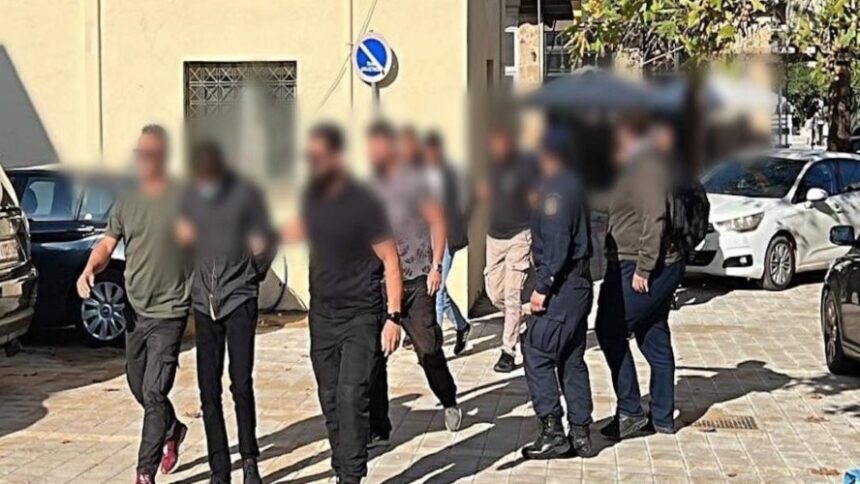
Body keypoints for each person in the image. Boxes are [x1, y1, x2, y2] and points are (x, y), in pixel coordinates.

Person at [282, 123, 403, 484]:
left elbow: (391, 260)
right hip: (322, 317)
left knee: (352, 397)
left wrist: (394, 317)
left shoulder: (363, 203)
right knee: (330, 398)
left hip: (361, 316)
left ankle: (351, 476)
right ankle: (341, 468)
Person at [76, 125, 190, 484]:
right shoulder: (128, 201)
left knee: (155, 391)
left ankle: (144, 471)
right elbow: (107, 244)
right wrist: (90, 268)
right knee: (137, 384)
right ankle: (172, 429)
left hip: (170, 310)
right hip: (135, 312)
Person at [177, 141, 276, 484]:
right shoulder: (191, 199)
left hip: (239, 301)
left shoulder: (247, 196)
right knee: (208, 391)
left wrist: (252, 273)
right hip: (204, 305)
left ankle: (249, 460)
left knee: (241, 384)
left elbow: (268, 240)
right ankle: (219, 469)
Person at [367, 121, 462, 447]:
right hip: (382, 285)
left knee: (429, 350)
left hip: (418, 281)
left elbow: (438, 221)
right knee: (375, 355)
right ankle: (378, 426)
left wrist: (437, 266)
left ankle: (448, 398)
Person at [595, 116, 684, 440]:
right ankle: (662, 416)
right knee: (653, 334)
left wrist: (645, 268)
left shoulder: (645, 167)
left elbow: (655, 217)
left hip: (644, 264)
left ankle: (631, 410)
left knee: (610, 329)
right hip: (637, 261)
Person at [520, 128, 595, 460]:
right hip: (578, 285)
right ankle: (581, 432)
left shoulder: (556, 192)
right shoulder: (572, 184)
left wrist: (542, 287)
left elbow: (557, 244)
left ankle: (552, 431)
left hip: (563, 286)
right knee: (570, 357)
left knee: (536, 350)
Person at [479, 124, 537, 373]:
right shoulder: (492, 167)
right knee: (495, 294)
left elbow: (535, 199)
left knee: (513, 295)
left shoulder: (525, 166)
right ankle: (520, 321)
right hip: (494, 237)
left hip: (518, 236)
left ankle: (508, 350)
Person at [422, 130, 471, 355]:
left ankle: (435, 348)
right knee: (436, 289)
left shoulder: (451, 176)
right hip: (426, 239)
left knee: (438, 291)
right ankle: (461, 325)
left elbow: (464, 205)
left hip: (446, 237)